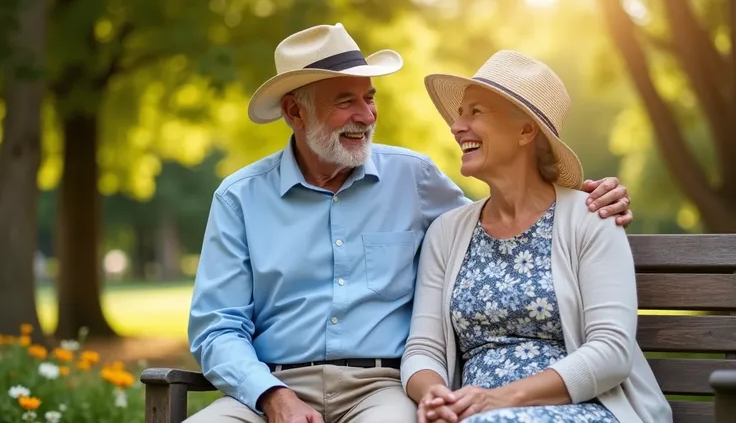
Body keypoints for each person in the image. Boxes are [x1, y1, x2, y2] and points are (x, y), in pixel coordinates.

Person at [185, 24, 635, 423]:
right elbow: (217, 328)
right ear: (294, 113)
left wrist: (590, 195)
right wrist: (271, 396)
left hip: (377, 390)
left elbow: (512, 211)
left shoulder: (414, 178)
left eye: (369, 98)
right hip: (268, 390)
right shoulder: (240, 198)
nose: (366, 115)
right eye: (346, 102)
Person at [400, 50, 672, 423]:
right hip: (475, 414)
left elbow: (611, 351)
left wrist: (499, 401)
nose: (456, 126)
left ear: (526, 131)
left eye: (475, 112)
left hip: (586, 409)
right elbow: (424, 348)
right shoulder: (447, 232)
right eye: (459, 114)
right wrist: (436, 396)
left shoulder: (591, 217)